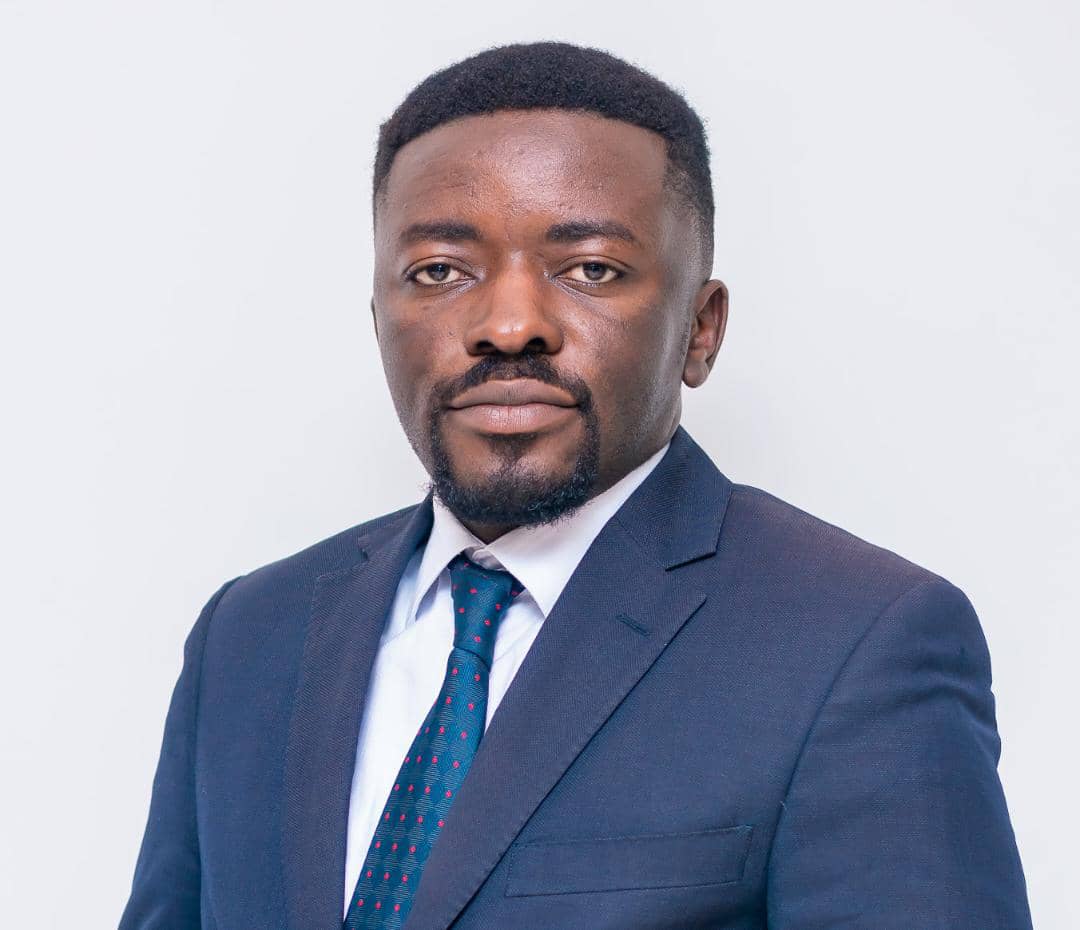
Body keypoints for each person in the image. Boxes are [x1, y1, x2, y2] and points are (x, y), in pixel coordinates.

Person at [119, 41, 1032, 930]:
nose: (509, 324)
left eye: (590, 268)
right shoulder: (251, 636)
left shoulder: (856, 641)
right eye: (440, 271)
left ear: (701, 330)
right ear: (380, 317)